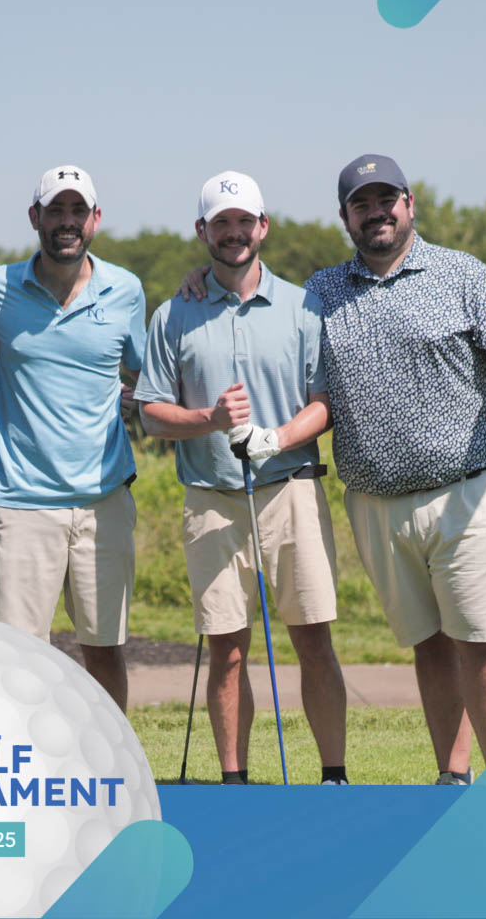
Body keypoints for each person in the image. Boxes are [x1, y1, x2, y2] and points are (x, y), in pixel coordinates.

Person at [307, 154, 486, 783]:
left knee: (483, 641)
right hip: (376, 503)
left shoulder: (463, 274)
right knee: (430, 644)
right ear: (345, 217)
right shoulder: (322, 292)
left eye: (387, 200)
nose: (376, 212)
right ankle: (452, 778)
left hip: (469, 489)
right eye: (361, 203)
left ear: (409, 204)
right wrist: (204, 278)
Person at [137, 171, 349, 785]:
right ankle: (235, 781)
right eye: (221, 223)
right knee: (226, 649)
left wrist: (275, 438)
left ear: (263, 227)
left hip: (291, 488)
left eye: (244, 221)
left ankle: (333, 775)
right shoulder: (173, 314)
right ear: (202, 230)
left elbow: (323, 402)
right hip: (211, 499)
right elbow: (151, 413)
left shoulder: (304, 307)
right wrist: (209, 419)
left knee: (313, 639)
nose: (234, 233)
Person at [0, 166, 146, 711]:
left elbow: (147, 374)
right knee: (17, 656)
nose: (66, 222)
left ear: (95, 219)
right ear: (35, 218)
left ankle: (109, 755)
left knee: (105, 649)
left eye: (77, 210)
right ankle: (21, 759)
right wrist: (18, 414)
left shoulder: (126, 289)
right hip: (23, 502)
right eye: (55, 210)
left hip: (104, 501)